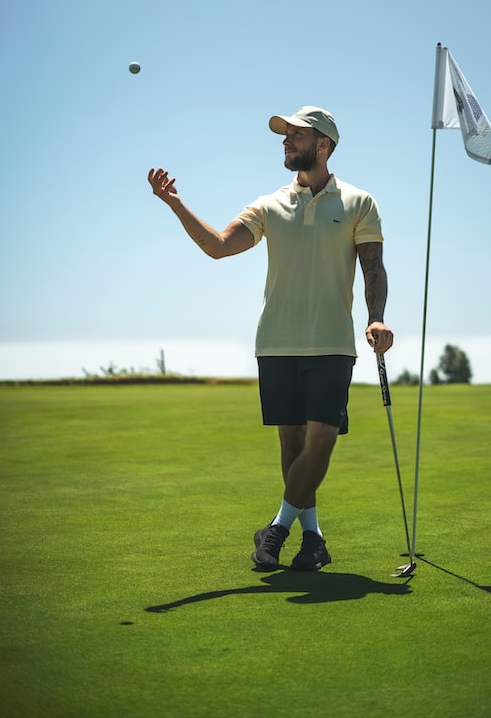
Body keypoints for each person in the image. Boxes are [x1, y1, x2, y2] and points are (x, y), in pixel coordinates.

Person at [147, 106, 393, 572]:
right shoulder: (268, 204)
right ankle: (314, 540)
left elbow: (373, 268)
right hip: (276, 343)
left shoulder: (360, 202)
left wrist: (376, 318)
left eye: (294, 136)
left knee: (321, 442)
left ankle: (276, 529)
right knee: (293, 449)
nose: (284, 142)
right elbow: (219, 246)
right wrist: (176, 204)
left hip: (332, 343)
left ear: (323, 144)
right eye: (284, 136)